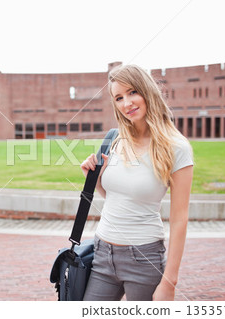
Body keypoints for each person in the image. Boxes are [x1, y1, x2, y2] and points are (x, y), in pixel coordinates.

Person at [80, 64, 193, 301]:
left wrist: (170, 282)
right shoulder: (115, 139)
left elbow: (180, 218)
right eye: (119, 98)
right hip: (102, 253)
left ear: (147, 91)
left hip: (143, 258)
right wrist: (95, 179)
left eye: (132, 92)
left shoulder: (177, 147)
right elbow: (118, 199)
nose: (126, 103)